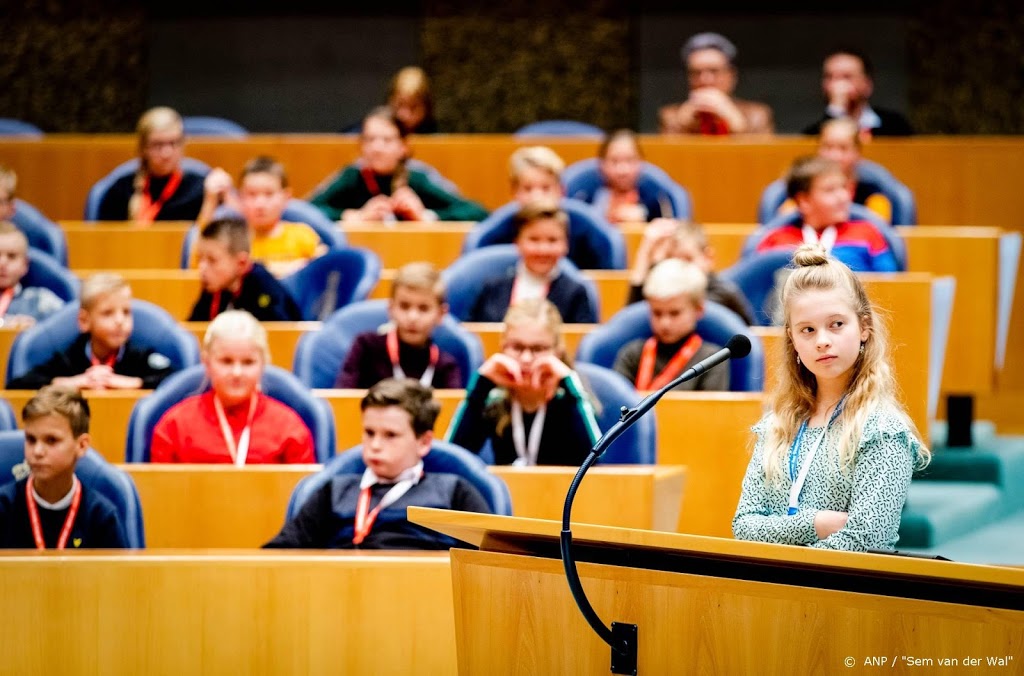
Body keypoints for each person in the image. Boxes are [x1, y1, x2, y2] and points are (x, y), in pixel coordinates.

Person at [733, 245, 929, 551]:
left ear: (864, 328)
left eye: (836, 324)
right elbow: (744, 526)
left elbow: (866, 541)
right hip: (773, 592)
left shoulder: (883, 430)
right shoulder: (777, 425)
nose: (822, 341)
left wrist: (786, 556)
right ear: (792, 340)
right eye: (807, 330)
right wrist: (816, 524)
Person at [264, 378, 492, 549]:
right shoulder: (332, 492)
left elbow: (495, 561)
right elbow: (278, 556)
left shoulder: (454, 492)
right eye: (369, 432)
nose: (375, 445)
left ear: (423, 442)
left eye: (390, 435)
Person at [446, 298, 602, 466]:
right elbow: (454, 457)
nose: (526, 358)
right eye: (517, 348)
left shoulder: (572, 397)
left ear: (557, 352)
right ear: (503, 347)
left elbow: (596, 457)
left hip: (566, 491)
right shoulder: (494, 399)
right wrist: (481, 386)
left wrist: (569, 382)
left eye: (538, 349)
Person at [150, 310, 315, 464]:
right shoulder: (174, 426)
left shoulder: (290, 428)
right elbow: (161, 490)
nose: (237, 373)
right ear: (206, 362)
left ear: (263, 364)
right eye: (226, 361)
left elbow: (305, 493)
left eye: (248, 362)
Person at [0, 386, 127, 548]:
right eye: (31, 440)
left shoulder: (100, 516)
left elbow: (120, 573)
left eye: (51, 440)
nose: (37, 451)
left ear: (81, 445)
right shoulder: (4, 507)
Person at [311, 107, 487, 223]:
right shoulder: (352, 175)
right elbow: (305, 210)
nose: (376, 148)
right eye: (370, 139)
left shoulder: (418, 177)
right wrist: (351, 216)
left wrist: (427, 216)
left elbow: (477, 213)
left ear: (403, 147)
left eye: (387, 140)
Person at [7, 273, 174, 390]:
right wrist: (72, 382)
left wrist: (134, 383)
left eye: (126, 312)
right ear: (84, 321)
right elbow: (18, 384)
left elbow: (175, 379)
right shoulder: (69, 359)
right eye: (108, 313)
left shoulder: (139, 357)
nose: (120, 321)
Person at [755, 156, 900, 273]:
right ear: (804, 201)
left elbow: (889, 288)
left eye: (843, 187)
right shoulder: (775, 241)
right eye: (830, 190)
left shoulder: (868, 234)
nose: (843, 196)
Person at [335, 262, 461, 389]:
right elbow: (343, 401)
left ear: (440, 314)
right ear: (391, 309)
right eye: (404, 306)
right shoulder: (365, 346)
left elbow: (452, 407)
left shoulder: (446, 366)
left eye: (423, 308)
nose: (413, 317)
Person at [468, 201, 598, 324]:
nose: (543, 250)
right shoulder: (491, 289)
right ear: (517, 242)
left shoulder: (576, 294)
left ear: (566, 245)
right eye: (534, 240)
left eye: (552, 240)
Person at [197, 156, 325, 277]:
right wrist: (210, 201)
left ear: (286, 197)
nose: (260, 204)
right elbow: (199, 264)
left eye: (269, 194)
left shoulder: (302, 236)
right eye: (252, 194)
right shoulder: (232, 242)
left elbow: (327, 266)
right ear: (240, 198)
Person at [614, 259, 729, 392]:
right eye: (657, 313)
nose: (665, 323)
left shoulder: (713, 360)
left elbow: (709, 411)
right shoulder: (631, 355)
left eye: (674, 313)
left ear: (698, 310)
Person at [627, 218, 754, 324]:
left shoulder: (723, 293)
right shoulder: (659, 296)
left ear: (708, 258)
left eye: (687, 259)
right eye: (672, 260)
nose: (680, 269)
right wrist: (645, 253)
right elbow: (631, 321)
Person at [773, 118, 895, 224]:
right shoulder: (799, 194)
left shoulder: (874, 196)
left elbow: (880, 232)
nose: (834, 156)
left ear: (857, 153)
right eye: (828, 147)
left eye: (843, 148)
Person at [96, 107, 206, 222]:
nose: (166, 153)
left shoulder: (199, 189)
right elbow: (106, 236)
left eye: (174, 143)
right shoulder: (121, 191)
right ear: (143, 148)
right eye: (158, 145)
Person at [659, 32, 774, 136]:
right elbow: (664, 157)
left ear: (731, 76)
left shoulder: (757, 115)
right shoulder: (671, 116)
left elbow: (767, 157)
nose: (705, 80)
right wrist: (682, 125)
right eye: (696, 72)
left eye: (714, 71)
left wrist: (737, 125)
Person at [188, 218, 302, 322]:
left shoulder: (264, 289)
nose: (202, 268)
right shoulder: (214, 288)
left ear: (241, 263)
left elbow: (282, 336)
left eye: (212, 260)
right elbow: (195, 328)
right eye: (200, 259)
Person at [802, 48, 913, 138]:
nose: (837, 85)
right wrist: (836, 110)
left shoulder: (895, 126)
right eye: (829, 77)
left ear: (867, 85)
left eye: (846, 77)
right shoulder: (813, 133)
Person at [575, 129, 678, 224]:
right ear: (602, 164)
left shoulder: (657, 197)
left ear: (641, 162)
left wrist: (645, 217)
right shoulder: (585, 195)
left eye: (630, 160)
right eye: (614, 161)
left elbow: (670, 229)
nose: (622, 170)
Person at [0, 221, 65, 328]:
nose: (2, 264)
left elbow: (67, 328)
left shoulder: (41, 301)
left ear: (25, 265)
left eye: (12, 256)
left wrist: (36, 330)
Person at [388, 66, 438, 135]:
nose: (405, 115)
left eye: (413, 107)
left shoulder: (437, 134)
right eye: (400, 105)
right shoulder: (378, 125)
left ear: (426, 108)